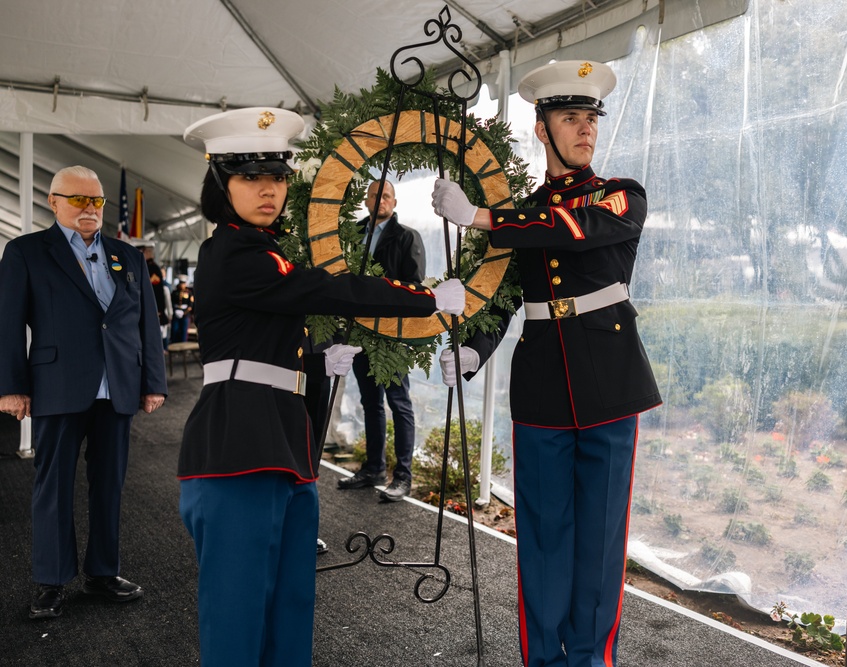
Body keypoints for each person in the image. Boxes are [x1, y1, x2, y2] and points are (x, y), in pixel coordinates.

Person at [176, 107, 466, 667]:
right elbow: (329, 290)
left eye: (279, 177)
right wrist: (427, 298)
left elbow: (264, 327)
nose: (269, 190)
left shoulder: (261, 251)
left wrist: (312, 357)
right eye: (250, 177)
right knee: (237, 622)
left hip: (282, 441)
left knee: (290, 608)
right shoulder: (235, 254)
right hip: (237, 447)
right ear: (220, 184)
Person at [431, 61, 662, 667]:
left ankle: (589, 660)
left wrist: (483, 218)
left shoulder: (621, 194)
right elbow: (506, 295)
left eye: (590, 118)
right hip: (541, 391)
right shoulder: (522, 216)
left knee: (599, 545)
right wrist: (474, 350)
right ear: (542, 129)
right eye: (570, 118)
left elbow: (574, 230)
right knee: (542, 541)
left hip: (611, 389)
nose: (585, 129)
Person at [0, 165, 168, 620]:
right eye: (79, 200)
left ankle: (102, 573)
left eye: (96, 201)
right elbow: (8, 325)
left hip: (117, 388)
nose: (90, 209)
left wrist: (154, 381)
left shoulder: (127, 256)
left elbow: (145, 324)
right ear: (53, 202)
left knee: (109, 483)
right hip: (56, 386)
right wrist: (12, 387)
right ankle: (51, 580)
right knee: (52, 485)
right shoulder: (25, 252)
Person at [337, 179, 426, 502]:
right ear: (366, 200)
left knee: (399, 403)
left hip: (392, 333)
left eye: (386, 195)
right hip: (360, 332)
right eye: (375, 195)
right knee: (370, 402)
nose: (380, 200)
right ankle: (373, 468)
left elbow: (414, 286)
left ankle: (403, 476)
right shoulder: (351, 235)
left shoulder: (406, 237)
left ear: (394, 200)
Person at [134, 239, 172, 348]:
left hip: (151, 310)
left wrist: (158, 310)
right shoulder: (142, 266)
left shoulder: (152, 268)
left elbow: (157, 292)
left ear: (146, 252)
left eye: (141, 251)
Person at [170, 274, 194, 342]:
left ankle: (183, 344)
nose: (182, 285)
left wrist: (184, 312)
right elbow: (171, 302)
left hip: (185, 314)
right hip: (176, 312)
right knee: (175, 329)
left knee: (184, 330)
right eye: (181, 283)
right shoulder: (175, 292)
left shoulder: (189, 293)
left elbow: (191, 304)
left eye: (183, 283)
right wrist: (175, 311)